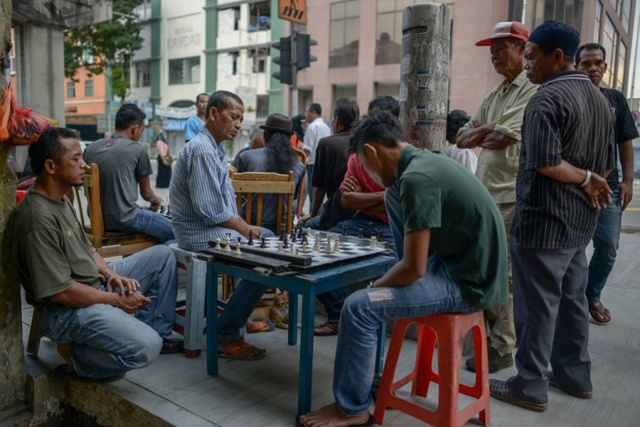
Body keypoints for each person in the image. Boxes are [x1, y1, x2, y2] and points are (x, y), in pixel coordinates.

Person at [299, 111, 508, 427]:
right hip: (457, 264)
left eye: (364, 164)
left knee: (358, 307)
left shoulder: (416, 180)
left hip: (468, 283)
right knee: (392, 194)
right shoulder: (419, 165)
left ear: (371, 151)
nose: (366, 171)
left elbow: (412, 269)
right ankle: (370, 382)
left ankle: (351, 409)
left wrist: (376, 287)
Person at [489, 20, 614, 412]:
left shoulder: (544, 100)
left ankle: (529, 384)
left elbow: (545, 163)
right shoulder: (599, 99)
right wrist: (591, 181)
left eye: (531, 57)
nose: (527, 65)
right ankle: (575, 376)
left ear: (557, 57)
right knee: (573, 301)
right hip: (578, 225)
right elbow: (606, 163)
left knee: (536, 307)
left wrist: (586, 178)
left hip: (543, 224)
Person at [6, 127, 182, 382]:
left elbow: (87, 249)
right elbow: (61, 292)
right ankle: (76, 354)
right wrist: (115, 300)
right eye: (76, 159)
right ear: (51, 166)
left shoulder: (60, 198)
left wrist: (111, 275)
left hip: (93, 283)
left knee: (163, 256)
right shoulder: (37, 219)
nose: (84, 165)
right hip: (64, 311)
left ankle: (138, 332)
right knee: (146, 348)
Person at [457, 21, 538, 374]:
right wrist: (484, 129)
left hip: (510, 194)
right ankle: (494, 338)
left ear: (523, 50)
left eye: (502, 47)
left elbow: (504, 136)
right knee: (484, 268)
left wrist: (485, 130)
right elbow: (462, 135)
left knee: (503, 273)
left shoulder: (531, 90)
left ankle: (503, 346)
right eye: (491, 49)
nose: (493, 55)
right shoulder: (496, 94)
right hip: (486, 191)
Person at [170, 90, 274, 360]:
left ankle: (237, 317)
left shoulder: (214, 148)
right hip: (200, 234)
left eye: (241, 119)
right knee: (268, 253)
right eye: (233, 117)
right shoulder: (203, 150)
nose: (238, 124)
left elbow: (224, 206)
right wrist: (244, 228)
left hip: (214, 230)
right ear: (213, 113)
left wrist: (245, 227)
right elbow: (210, 210)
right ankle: (227, 330)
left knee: (268, 241)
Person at [312, 96, 398, 337]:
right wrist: (383, 198)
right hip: (358, 223)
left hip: (390, 228)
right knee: (314, 253)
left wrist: (374, 198)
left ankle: (366, 323)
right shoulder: (356, 156)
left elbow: (399, 204)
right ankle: (339, 315)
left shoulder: (402, 157)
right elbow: (347, 199)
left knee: (387, 267)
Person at [575, 43, 639, 324]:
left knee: (608, 246)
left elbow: (625, 141)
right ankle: (573, 299)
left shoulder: (615, 99)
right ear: (576, 66)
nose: (592, 68)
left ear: (605, 67)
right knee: (573, 248)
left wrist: (627, 181)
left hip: (608, 189)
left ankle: (592, 294)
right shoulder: (570, 96)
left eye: (597, 63)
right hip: (574, 186)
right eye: (586, 63)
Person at [84, 104, 175, 243]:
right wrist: (158, 201)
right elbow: (147, 194)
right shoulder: (137, 150)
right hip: (125, 220)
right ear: (135, 128)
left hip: (96, 218)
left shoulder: (91, 148)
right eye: (142, 130)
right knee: (178, 231)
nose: (140, 134)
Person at [237, 114, 305, 233]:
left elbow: (242, 193)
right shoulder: (299, 166)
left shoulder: (246, 157)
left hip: (246, 226)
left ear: (265, 135)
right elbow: (293, 198)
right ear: (289, 139)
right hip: (281, 230)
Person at [303, 99, 358, 230]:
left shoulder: (327, 144)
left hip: (336, 213)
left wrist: (312, 214)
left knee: (306, 226)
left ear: (337, 120)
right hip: (360, 212)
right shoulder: (365, 143)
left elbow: (320, 189)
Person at [302, 103, 331, 208]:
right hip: (324, 165)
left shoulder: (312, 127)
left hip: (313, 166)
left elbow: (307, 149)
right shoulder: (326, 127)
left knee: (312, 196)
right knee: (320, 196)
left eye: (308, 113)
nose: (307, 116)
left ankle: (312, 220)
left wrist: (301, 164)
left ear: (313, 112)